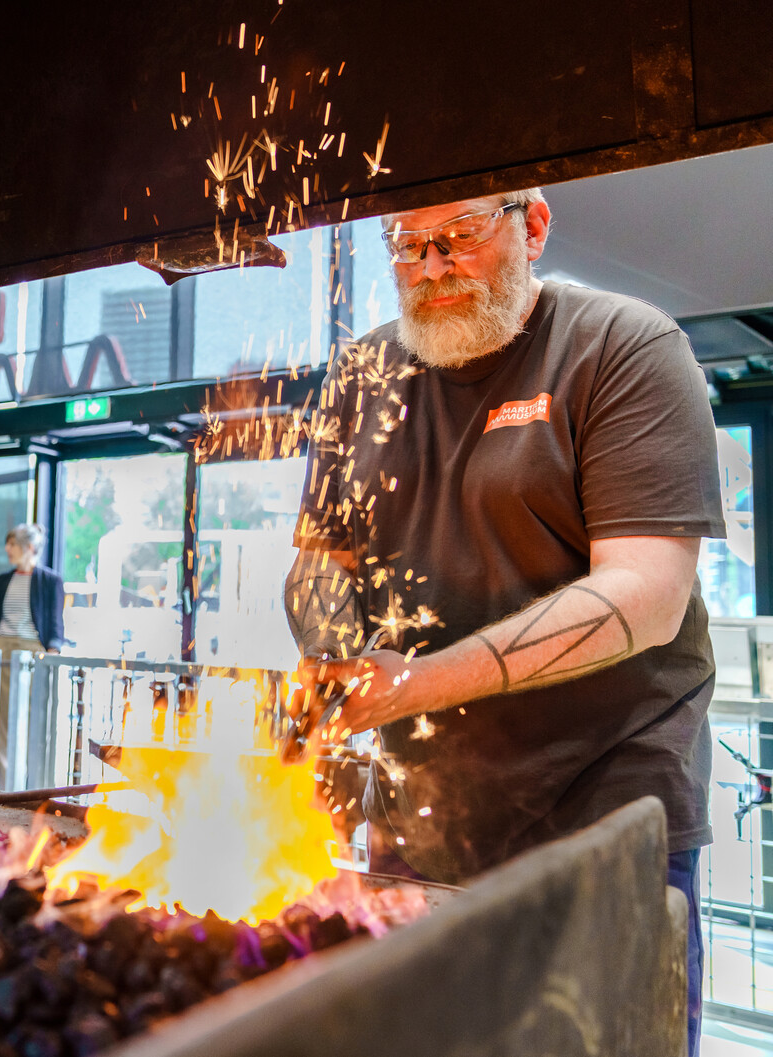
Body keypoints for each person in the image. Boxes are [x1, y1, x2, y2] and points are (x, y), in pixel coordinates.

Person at [284, 188, 720, 1054]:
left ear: (534, 224)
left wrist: (414, 683)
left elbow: (645, 592)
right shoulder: (361, 375)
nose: (433, 269)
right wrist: (334, 650)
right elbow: (316, 564)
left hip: (597, 812)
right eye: (408, 246)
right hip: (422, 815)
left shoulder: (624, 345)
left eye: (460, 237)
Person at [0, 524, 66, 785]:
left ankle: (32, 782)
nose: (7, 549)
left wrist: (51, 653)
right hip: (1, 650)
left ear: (29, 547)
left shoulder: (50, 581)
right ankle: (5, 781)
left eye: (13, 544)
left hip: (32, 652)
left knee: (34, 717)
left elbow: (55, 623)